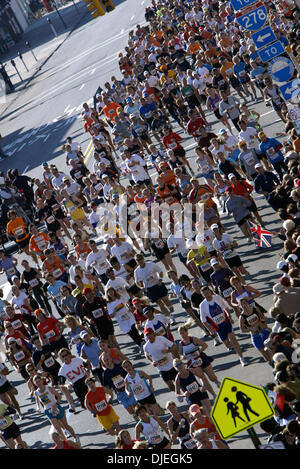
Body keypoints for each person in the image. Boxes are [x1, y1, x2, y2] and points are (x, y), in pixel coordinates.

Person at [199, 286, 247, 366]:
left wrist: (229, 316)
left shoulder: (217, 297)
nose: (207, 295)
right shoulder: (202, 305)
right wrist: (210, 329)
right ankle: (233, 347)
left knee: (233, 339)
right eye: (205, 294)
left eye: (207, 292)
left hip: (226, 322)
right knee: (227, 344)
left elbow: (226, 308)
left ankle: (242, 358)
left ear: (210, 291)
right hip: (218, 327)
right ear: (203, 295)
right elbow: (203, 320)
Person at [33, 375, 80, 444]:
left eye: (39, 381)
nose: (38, 383)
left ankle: (75, 437)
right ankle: (66, 445)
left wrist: (56, 405)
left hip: (57, 408)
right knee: (58, 429)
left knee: (65, 426)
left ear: (42, 381)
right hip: (48, 411)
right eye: (36, 382)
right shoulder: (36, 392)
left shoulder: (48, 388)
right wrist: (38, 407)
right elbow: (37, 401)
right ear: (34, 383)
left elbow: (59, 396)